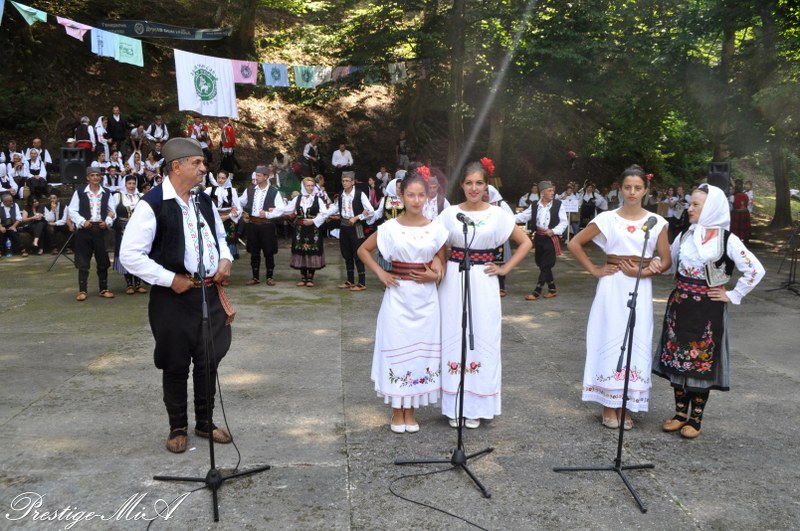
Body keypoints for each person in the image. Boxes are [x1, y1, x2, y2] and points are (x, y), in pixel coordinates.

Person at [119, 137, 235, 453]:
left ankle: (205, 422)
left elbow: (221, 237)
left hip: (209, 294)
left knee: (208, 360)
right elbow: (129, 255)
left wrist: (225, 259)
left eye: (203, 162)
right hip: (172, 299)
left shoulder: (203, 200)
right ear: (176, 166)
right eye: (196, 163)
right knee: (175, 362)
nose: (203, 168)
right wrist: (169, 279)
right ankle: (178, 426)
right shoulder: (152, 204)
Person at [653, 184, 764, 439]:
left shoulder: (727, 240)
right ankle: (679, 414)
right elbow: (670, 266)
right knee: (678, 359)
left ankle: (696, 419)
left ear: (711, 207)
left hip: (708, 310)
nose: (689, 209)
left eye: (695, 205)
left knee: (701, 361)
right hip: (680, 306)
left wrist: (732, 294)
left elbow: (755, 270)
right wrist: (652, 262)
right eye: (689, 204)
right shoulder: (685, 236)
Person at [568, 165, 671, 429]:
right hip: (612, 286)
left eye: (638, 188)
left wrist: (646, 271)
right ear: (620, 189)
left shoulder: (657, 222)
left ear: (645, 190)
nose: (632, 192)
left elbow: (666, 260)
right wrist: (595, 269)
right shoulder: (607, 218)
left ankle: (626, 404)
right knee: (610, 337)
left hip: (640, 286)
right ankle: (608, 403)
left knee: (636, 339)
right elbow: (574, 243)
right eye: (628, 187)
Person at [438, 162, 532, 428]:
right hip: (454, 279)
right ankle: (454, 404)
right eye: (469, 183)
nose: (474, 188)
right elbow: (438, 244)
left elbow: (525, 242)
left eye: (479, 183)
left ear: (486, 185)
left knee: (483, 336)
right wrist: (440, 268)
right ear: (462, 185)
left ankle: (477, 405)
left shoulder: (497, 215)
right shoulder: (449, 214)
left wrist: (505, 268)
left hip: (484, 279)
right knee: (453, 335)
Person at [358, 169, 448, 433]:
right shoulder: (389, 228)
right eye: (411, 195)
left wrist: (435, 272)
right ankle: (398, 411)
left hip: (426, 300)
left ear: (428, 195)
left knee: (421, 353)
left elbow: (442, 261)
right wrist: (381, 273)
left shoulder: (436, 228)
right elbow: (363, 250)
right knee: (398, 351)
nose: (416, 200)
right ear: (401, 195)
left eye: (421, 195)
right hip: (398, 297)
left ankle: (412, 410)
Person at [68, 165, 118, 301]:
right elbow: (72, 210)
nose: (95, 177)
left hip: (100, 230)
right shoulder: (80, 192)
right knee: (83, 261)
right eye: (92, 175)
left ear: (101, 177)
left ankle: (103, 288)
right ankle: (82, 290)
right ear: (87, 178)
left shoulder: (106, 192)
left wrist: (107, 222)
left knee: (103, 260)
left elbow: (112, 211)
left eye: (97, 175)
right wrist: (82, 221)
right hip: (85, 230)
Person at [516, 180, 568, 300]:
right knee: (540, 263)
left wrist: (553, 231)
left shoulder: (558, 204)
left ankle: (536, 292)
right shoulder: (535, 205)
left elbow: (564, 222)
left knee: (546, 264)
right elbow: (523, 216)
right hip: (539, 238)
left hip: (550, 238)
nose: (553, 193)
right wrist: (507, 218)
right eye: (550, 191)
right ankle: (552, 289)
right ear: (542, 193)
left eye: (553, 190)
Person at [324, 171, 374, 291]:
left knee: (359, 252)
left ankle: (361, 282)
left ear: (353, 182)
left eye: (347, 181)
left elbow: (371, 211)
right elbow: (335, 208)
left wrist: (357, 217)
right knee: (346, 253)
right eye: (343, 181)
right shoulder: (341, 194)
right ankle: (350, 280)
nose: (345, 183)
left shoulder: (359, 194)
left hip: (357, 227)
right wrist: (322, 214)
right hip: (344, 226)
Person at [239, 165, 286, 285]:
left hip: (267, 225)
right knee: (254, 252)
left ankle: (269, 277)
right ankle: (255, 277)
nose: (257, 178)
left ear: (266, 177)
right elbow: (240, 201)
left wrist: (267, 214)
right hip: (253, 224)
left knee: (268, 251)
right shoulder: (250, 190)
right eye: (256, 175)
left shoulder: (273, 191)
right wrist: (237, 208)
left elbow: (281, 209)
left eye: (259, 176)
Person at [282, 176, 328, 286]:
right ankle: (303, 277)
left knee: (313, 250)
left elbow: (324, 214)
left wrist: (314, 221)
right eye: (308, 186)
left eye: (312, 186)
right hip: (300, 229)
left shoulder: (317, 199)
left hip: (314, 229)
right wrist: (273, 210)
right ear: (303, 186)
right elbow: (287, 210)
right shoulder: (297, 199)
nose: (310, 188)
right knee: (301, 250)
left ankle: (310, 278)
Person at [113, 175, 146, 294]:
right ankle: (129, 284)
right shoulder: (118, 196)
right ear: (125, 184)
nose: (131, 186)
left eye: (133, 183)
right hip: (123, 231)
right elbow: (112, 211)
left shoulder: (141, 196)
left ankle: (138, 284)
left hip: (139, 231)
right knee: (126, 255)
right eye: (129, 183)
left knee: (139, 255)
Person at [204, 170, 240, 263]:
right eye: (219, 177)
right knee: (215, 239)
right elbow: (202, 200)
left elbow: (239, 209)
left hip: (228, 219)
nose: (220, 180)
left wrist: (228, 216)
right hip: (214, 219)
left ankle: (227, 262)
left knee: (227, 240)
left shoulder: (232, 191)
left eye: (223, 178)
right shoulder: (210, 190)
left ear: (227, 179)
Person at [0, 192, 24, 257]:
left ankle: (23, 250)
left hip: (13, 224)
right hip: (2, 225)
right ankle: (0, 251)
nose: (12, 202)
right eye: (10, 201)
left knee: (13, 233)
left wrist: (13, 226)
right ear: (5, 202)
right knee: (1, 234)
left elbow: (19, 218)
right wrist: (1, 227)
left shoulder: (15, 205)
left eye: (12, 200)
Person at [730, 180, 751, 244]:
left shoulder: (733, 196)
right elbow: (747, 203)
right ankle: (746, 241)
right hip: (745, 213)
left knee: (736, 229)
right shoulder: (746, 195)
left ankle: (735, 242)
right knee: (744, 228)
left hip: (736, 214)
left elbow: (731, 205)